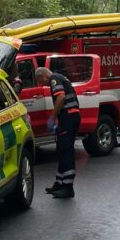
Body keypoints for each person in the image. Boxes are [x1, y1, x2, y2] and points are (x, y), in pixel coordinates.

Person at [36, 65, 80, 199]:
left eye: (41, 82)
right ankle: (60, 183)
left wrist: (52, 117)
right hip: (68, 117)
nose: (42, 84)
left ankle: (67, 187)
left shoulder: (54, 79)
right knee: (61, 149)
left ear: (43, 76)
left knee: (66, 150)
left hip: (69, 117)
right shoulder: (59, 77)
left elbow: (60, 97)